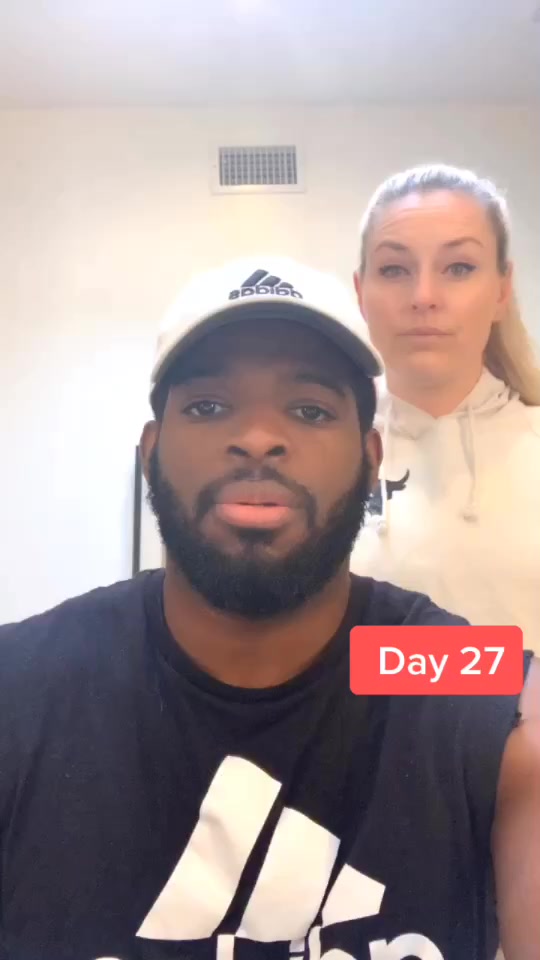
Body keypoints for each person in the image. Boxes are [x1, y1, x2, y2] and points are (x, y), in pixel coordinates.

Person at [0, 257, 538, 960]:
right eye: (208, 406)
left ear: (371, 460)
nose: (257, 438)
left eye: (310, 410)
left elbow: (515, 700)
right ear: (152, 451)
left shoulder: (415, 663)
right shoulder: (24, 682)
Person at [350, 164, 540, 655]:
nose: (424, 297)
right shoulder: (323, 458)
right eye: (394, 269)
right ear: (361, 293)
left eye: (458, 268)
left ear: (502, 291)